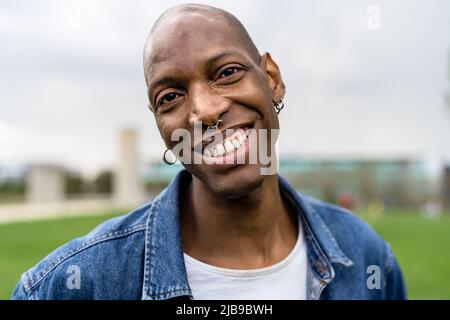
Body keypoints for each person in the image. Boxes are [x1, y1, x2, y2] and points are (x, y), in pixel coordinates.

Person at [12, 4, 406, 300]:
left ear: (272, 80)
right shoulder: (75, 283)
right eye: (170, 97)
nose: (204, 110)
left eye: (227, 72)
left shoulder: (368, 259)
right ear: (161, 126)